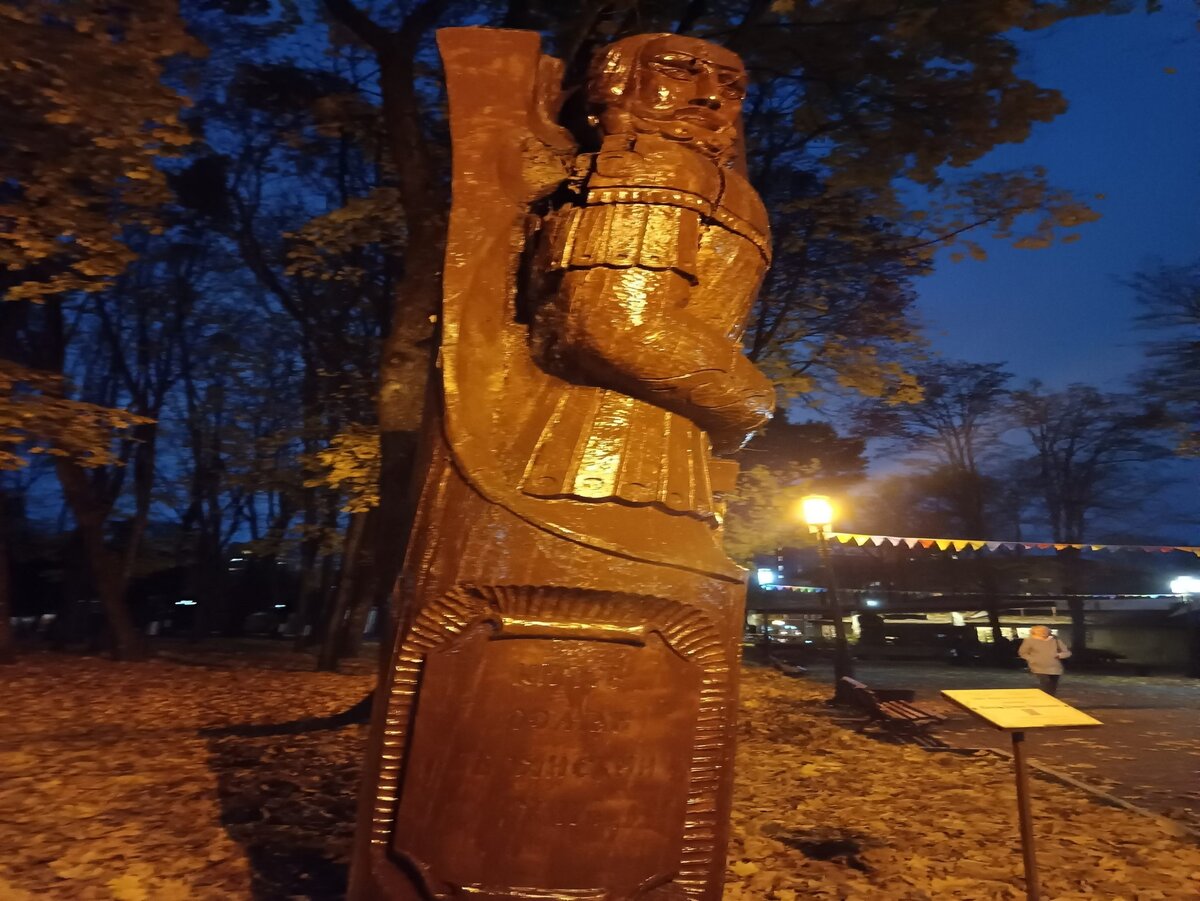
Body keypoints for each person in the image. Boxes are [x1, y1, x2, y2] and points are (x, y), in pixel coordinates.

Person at [1018, 625, 1072, 695]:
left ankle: (1051, 701)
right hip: (1038, 667)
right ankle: (1043, 700)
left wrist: (1060, 655)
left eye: (1045, 631)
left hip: (1055, 668)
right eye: (1041, 631)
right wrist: (1032, 659)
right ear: (1034, 632)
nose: (1044, 632)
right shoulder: (1029, 641)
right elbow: (1022, 653)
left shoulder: (1056, 640)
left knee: (1052, 688)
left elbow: (1067, 652)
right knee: (1045, 685)